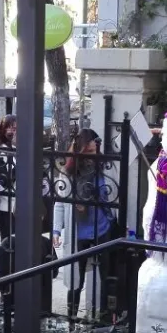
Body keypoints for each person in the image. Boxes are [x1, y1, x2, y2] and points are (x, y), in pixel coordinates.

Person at [53, 128, 117, 321]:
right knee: (75, 279)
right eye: (89, 152)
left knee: (106, 277)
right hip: (78, 232)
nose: (93, 155)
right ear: (80, 150)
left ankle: (104, 319)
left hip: (102, 228)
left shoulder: (105, 169)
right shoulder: (69, 172)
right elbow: (61, 203)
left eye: (95, 150)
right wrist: (56, 230)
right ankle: (72, 318)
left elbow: (113, 196)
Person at [0, 114, 17, 240]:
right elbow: (5, 180)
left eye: (16, 129)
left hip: (22, 206)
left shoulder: (17, 148)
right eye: (11, 128)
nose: (14, 132)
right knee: (8, 246)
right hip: (7, 206)